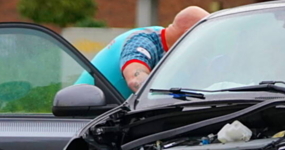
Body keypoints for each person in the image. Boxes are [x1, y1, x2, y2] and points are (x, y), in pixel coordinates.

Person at [81, 6, 209, 97]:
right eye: (203, 40)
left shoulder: (172, 51)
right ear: (190, 34)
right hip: (80, 115)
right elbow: (135, 79)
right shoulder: (143, 41)